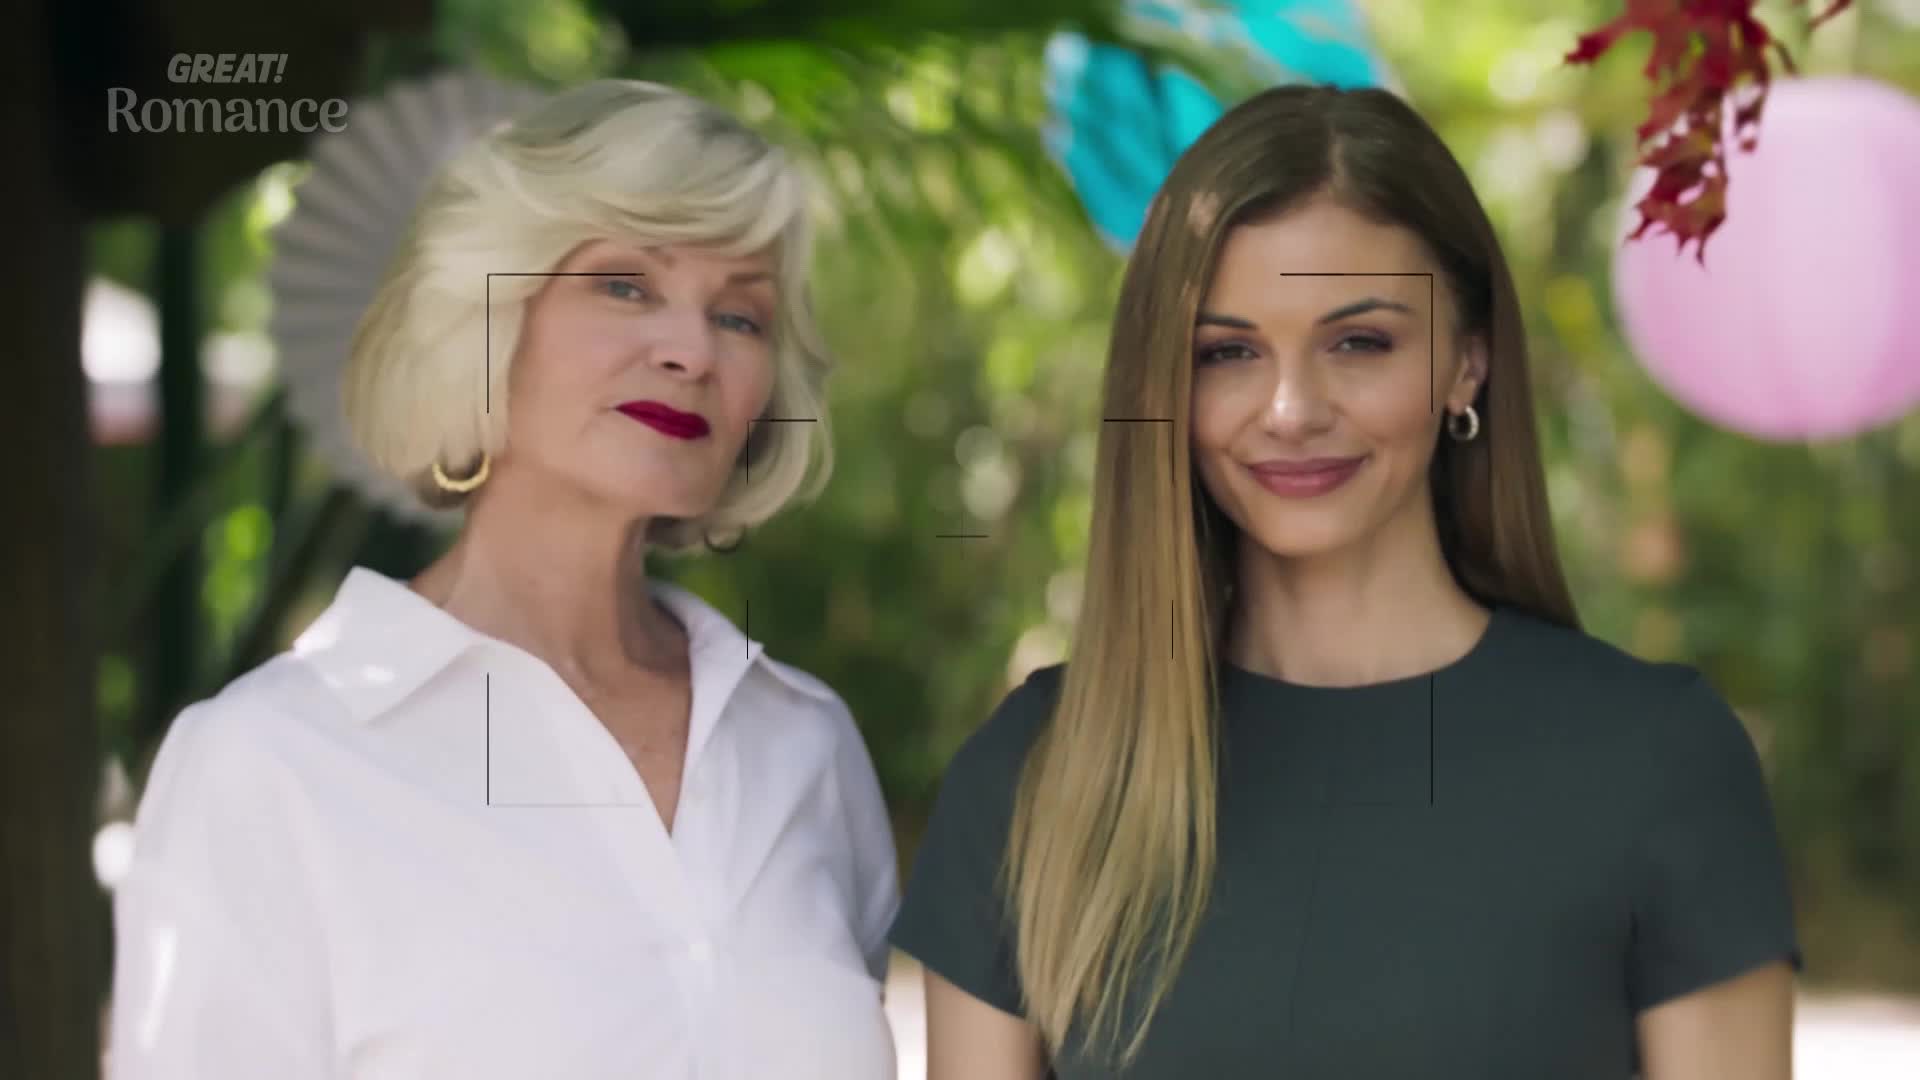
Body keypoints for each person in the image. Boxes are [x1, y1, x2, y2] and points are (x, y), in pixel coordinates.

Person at [890, 84, 1800, 1079]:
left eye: (1358, 341)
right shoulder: (1035, 775)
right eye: (1227, 352)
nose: (1290, 408)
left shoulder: (1658, 763)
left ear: (1469, 363)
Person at [107, 80, 899, 1080]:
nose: (690, 351)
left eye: (741, 317)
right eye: (625, 285)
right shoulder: (267, 764)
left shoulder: (806, 744)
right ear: (488, 311)